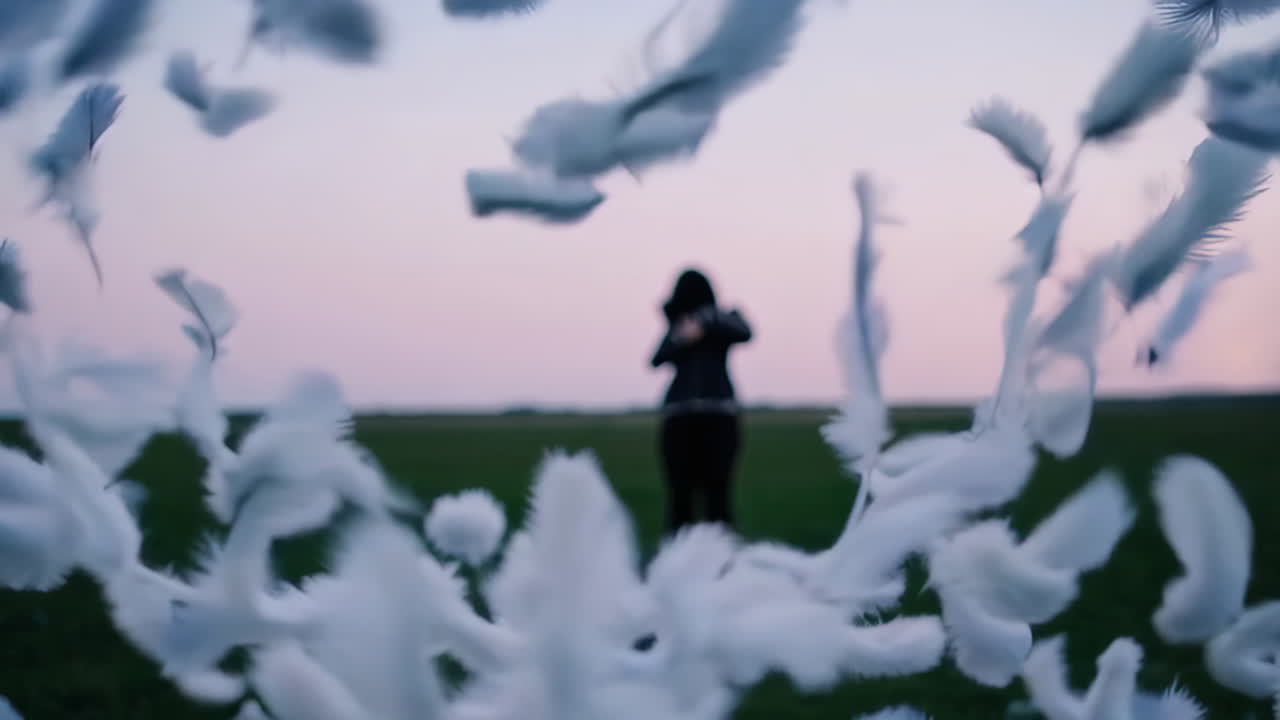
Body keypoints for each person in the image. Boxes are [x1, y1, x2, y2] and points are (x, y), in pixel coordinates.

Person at [649, 268, 752, 533]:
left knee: (718, 497)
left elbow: (745, 332)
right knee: (680, 499)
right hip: (681, 419)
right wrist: (681, 335)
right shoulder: (677, 326)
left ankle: (719, 555)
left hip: (717, 418)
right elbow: (656, 358)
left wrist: (706, 321)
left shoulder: (724, 320)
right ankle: (680, 554)